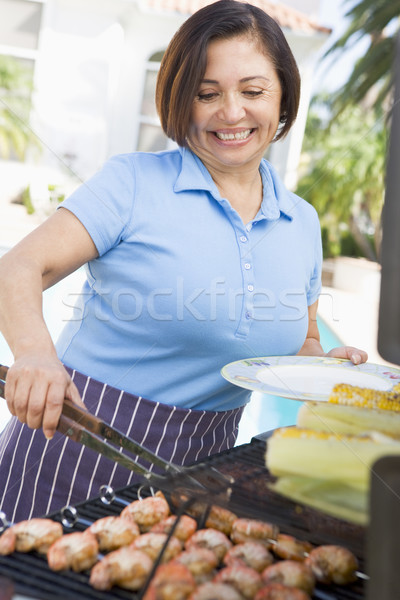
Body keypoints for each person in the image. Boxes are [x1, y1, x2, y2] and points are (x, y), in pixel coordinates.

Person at [0, 0, 367, 522]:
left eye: (253, 91)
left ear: (283, 96)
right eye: (207, 93)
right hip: (72, 450)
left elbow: (302, 341)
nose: (232, 112)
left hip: (203, 476)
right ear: (181, 99)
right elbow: (18, 267)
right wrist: (35, 354)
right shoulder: (132, 183)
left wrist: (321, 371)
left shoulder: (302, 222)